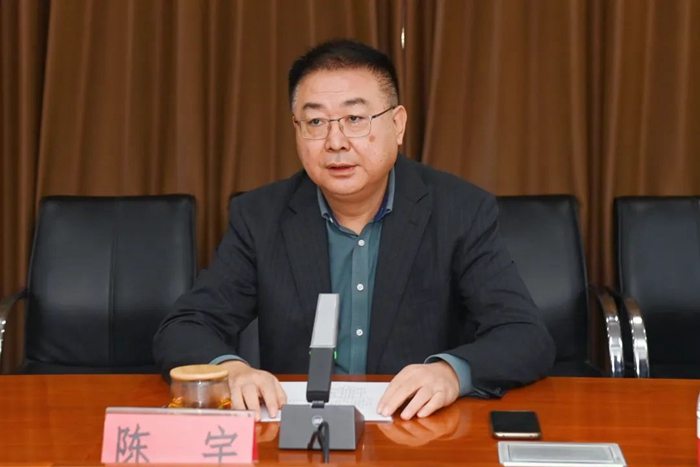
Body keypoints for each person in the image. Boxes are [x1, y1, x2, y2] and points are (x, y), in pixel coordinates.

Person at [153, 39, 555, 421]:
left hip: (417, 432)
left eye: (355, 119)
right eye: (315, 121)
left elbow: (524, 335)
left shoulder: (460, 210)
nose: (335, 142)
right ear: (296, 130)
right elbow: (185, 327)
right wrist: (230, 371)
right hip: (298, 436)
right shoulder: (260, 216)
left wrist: (451, 373)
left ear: (397, 125)